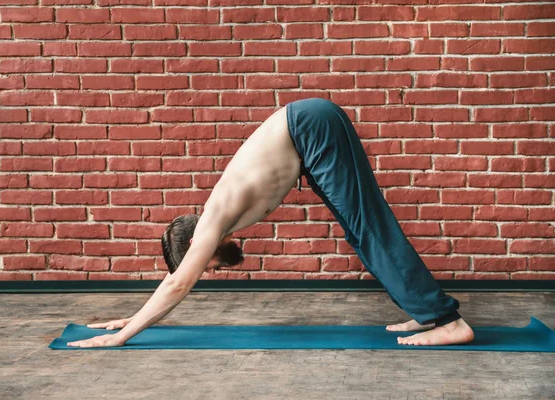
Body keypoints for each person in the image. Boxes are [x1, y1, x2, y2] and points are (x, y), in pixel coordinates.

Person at [68, 98, 474, 348]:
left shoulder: (213, 218)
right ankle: (426, 312)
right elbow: (176, 282)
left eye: (206, 262)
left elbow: (179, 283)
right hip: (309, 132)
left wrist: (122, 335)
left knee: (369, 230)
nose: (213, 268)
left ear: (197, 243)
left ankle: (447, 322)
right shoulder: (216, 216)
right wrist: (135, 316)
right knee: (362, 231)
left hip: (310, 129)